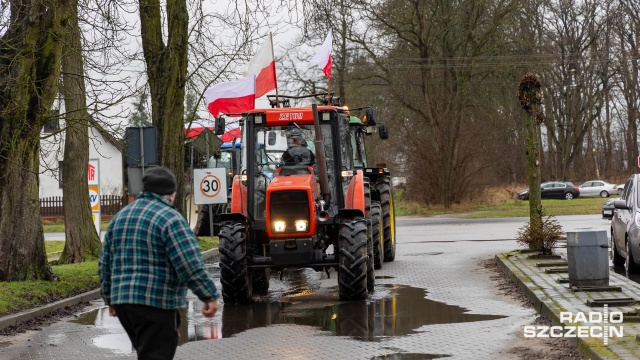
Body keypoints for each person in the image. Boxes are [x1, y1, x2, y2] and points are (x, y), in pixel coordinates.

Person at [99, 166, 219, 360]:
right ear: (170, 194)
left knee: (147, 353)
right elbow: (188, 262)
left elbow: (105, 264)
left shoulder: (119, 218)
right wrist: (209, 295)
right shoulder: (170, 219)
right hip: (155, 302)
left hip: (124, 304)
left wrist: (110, 298)